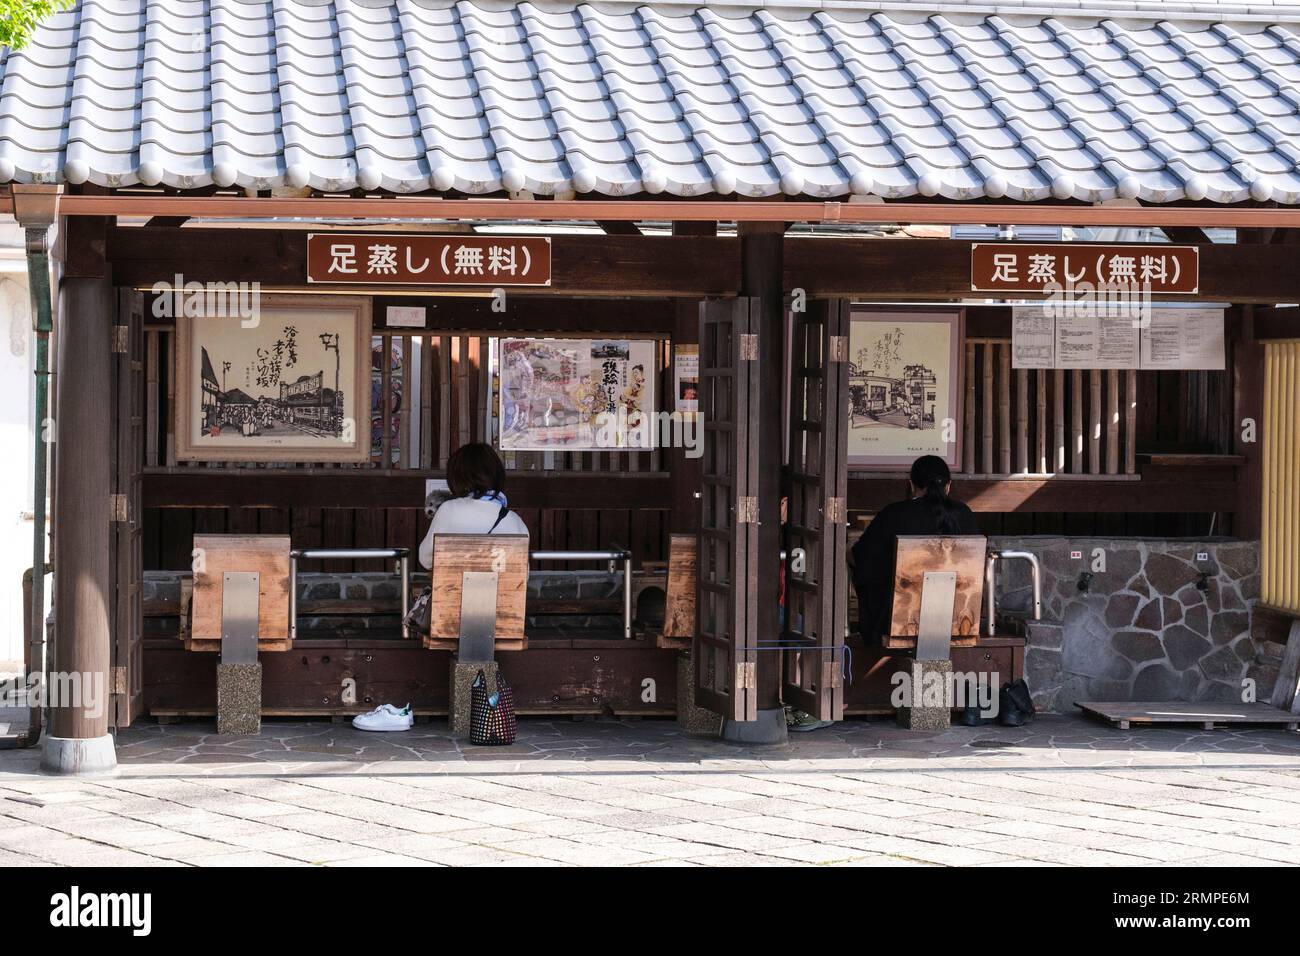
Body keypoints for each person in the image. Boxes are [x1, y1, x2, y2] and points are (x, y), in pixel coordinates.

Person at [850, 454, 979, 643]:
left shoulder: (893, 514)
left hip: (896, 623)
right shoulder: (964, 515)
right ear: (948, 486)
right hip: (957, 621)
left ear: (911, 484)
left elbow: (863, 561)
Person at [418, 442, 529, 569]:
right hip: (498, 588)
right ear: (497, 475)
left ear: (457, 477)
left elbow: (425, 559)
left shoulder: (448, 510)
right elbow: (522, 574)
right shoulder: (513, 520)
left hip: (453, 588)